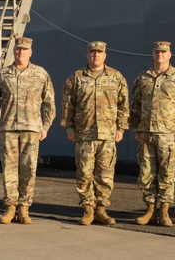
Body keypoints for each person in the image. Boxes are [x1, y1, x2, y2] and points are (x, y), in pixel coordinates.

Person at [0, 36, 55, 225]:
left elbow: (50, 102)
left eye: (24, 50)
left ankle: (24, 208)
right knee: (9, 170)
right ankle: (9, 208)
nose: (20, 53)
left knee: (28, 169)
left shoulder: (40, 74)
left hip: (31, 129)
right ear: (14, 52)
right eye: (18, 50)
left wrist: (45, 126)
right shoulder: (2, 75)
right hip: (8, 128)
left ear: (30, 52)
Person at [60, 40, 129, 226]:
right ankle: (88, 210)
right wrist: (69, 128)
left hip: (107, 135)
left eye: (99, 52)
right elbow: (67, 105)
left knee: (105, 174)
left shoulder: (116, 77)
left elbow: (124, 104)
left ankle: (101, 210)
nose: (95, 55)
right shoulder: (76, 77)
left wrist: (121, 127)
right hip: (84, 134)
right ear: (87, 55)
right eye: (92, 52)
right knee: (84, 173)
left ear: (105, 55)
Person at [128, 41, 175, 227]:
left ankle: (164, 212)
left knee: (167, 174)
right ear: (153, 54)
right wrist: (136, 129)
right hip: (146, 135)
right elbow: (135, 106)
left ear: (170, 54)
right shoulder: (143, 77)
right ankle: (149, 211)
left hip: (169, 135)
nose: (160, 55)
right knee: (147, 174)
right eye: (157, 52)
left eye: (163, 52)